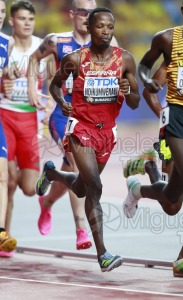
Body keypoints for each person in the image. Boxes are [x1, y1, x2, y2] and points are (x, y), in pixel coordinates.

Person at [35, 7, 140, 271]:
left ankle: (52, 174)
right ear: (90, 29)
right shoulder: (74, 59)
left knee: (82, 187)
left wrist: (128, 93)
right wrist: (61, 102)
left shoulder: (125, 59)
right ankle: (103, 254)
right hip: (80, 128)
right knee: (95, 186)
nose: (106, 32)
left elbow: (136, 103)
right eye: (100, 27)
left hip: (107, 133)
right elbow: (55, 85)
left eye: (110, 27)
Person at [28, 0, 118, 250]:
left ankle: (46, 202)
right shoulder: (56, 41)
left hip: (92, 116)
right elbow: (34, 59)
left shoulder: (107, 41)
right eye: (82, 12)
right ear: (72, 14)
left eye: (91, 13)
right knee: (79, 166)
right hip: (63, 113)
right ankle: (81, 229)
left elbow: (119, 73)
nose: (86, 17)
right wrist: (32, 90)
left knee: (74, 172)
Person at [124, 0, 183, 281]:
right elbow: (147, 83)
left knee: (173, 201)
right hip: (177, 125)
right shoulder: (170, 45)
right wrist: (162, 110)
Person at [123, 62, 183, 278]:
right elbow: (148, 92)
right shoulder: (178, 52)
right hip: (177, 132)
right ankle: (148, 168)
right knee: (172, 205)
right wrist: (168, 120)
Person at [0, 0, 51, 257]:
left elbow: (53, 81)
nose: (27, 23)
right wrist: (2, 84)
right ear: (12, 21)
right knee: (6, 182)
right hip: (5, 116)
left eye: (30, 19)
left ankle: (44, 199)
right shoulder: (5, 45)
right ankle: (4, 237)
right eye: (21, 19)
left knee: (29, 188)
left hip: (31, 121)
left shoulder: (42, 47)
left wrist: (50, 106)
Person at [0, 0, 17, 257]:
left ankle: (1, 232)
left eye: (2, 11)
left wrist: (7, 81)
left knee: (3, 176)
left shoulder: (6, 43)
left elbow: (4, 80)